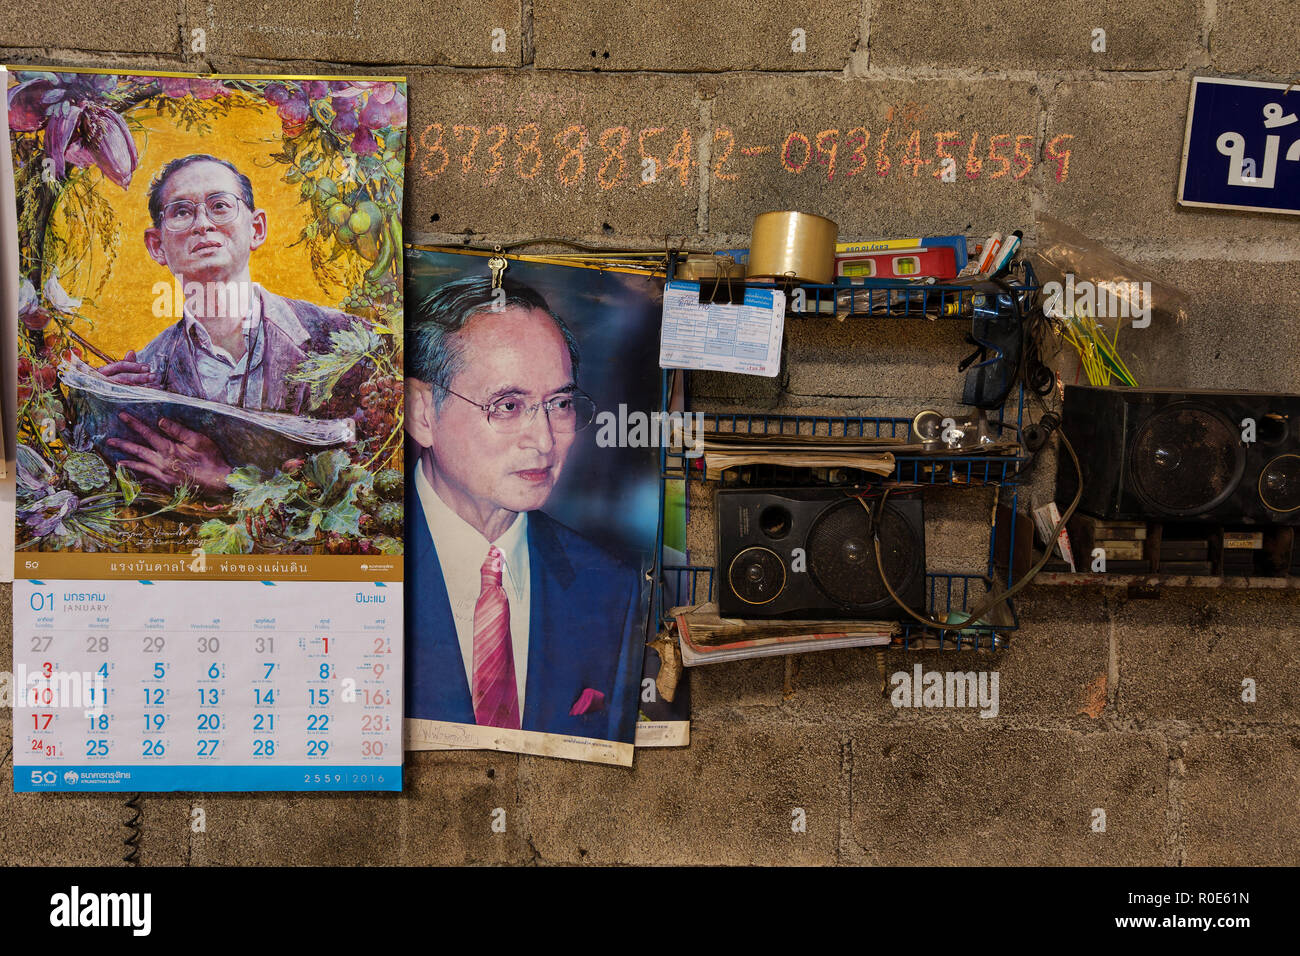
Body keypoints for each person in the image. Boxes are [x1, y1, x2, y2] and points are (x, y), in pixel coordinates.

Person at [404, 275, 645, 744]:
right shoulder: (362, 562)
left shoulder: (610, 588)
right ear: (421, 413)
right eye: (508, 405)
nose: (544, 440)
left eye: (559, 403)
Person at [99, 153, 356, 493]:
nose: (202, 224)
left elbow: (375, 476)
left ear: (256, 228)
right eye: (181, 212)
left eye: (220, 206)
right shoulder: (143, 376)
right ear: (157, 246)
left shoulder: (341, 337)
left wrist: (226, 481)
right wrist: (98, 410)